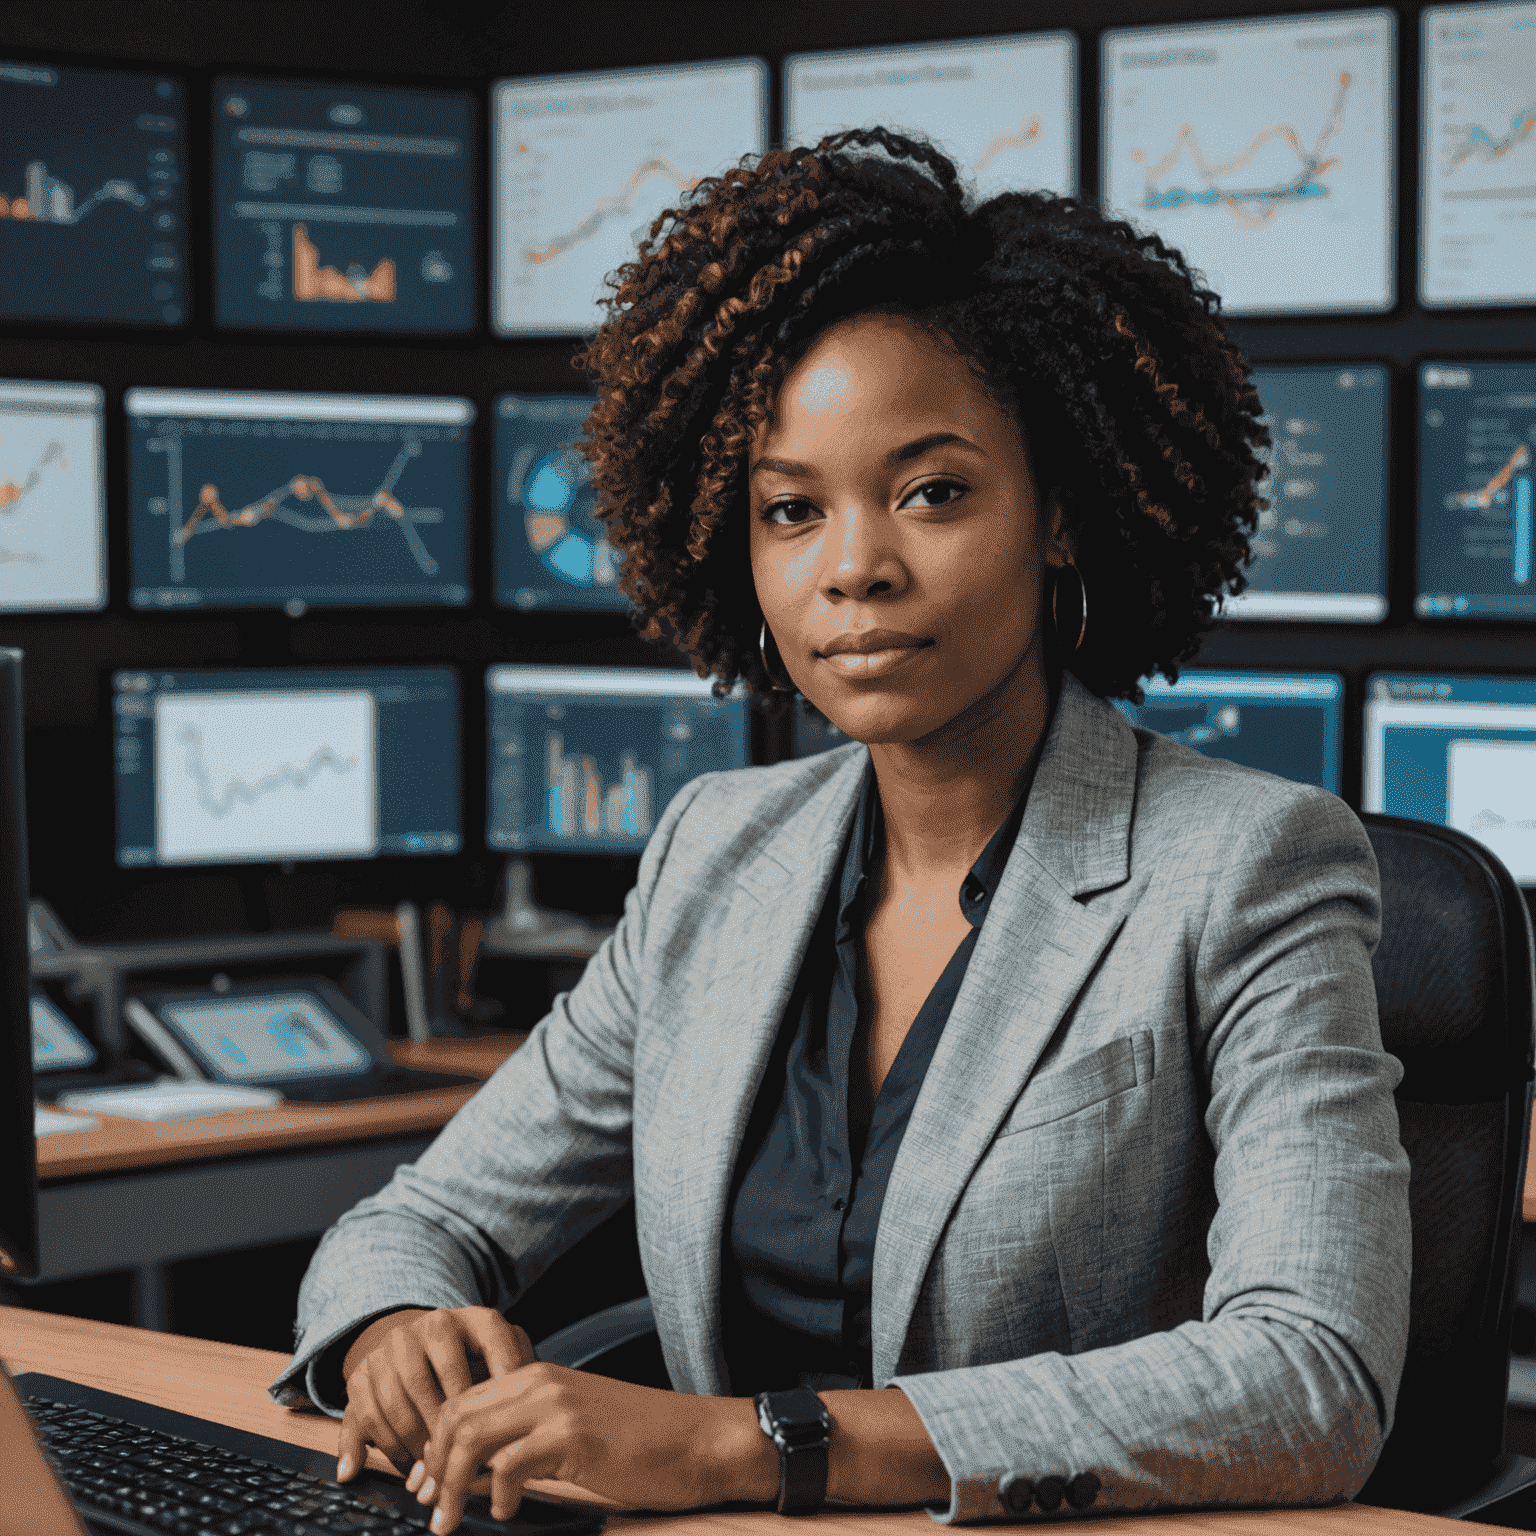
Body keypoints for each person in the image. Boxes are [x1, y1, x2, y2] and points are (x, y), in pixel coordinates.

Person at [270, 128, 1410, 1532]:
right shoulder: (716, 854)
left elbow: (1312, 1378)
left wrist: (748, 1449)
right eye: (791, 509)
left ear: (1060, 515)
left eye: (932, 491)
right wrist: (396, 1327)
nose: (854, 567)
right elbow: (416, 1223)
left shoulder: (1248, 865)